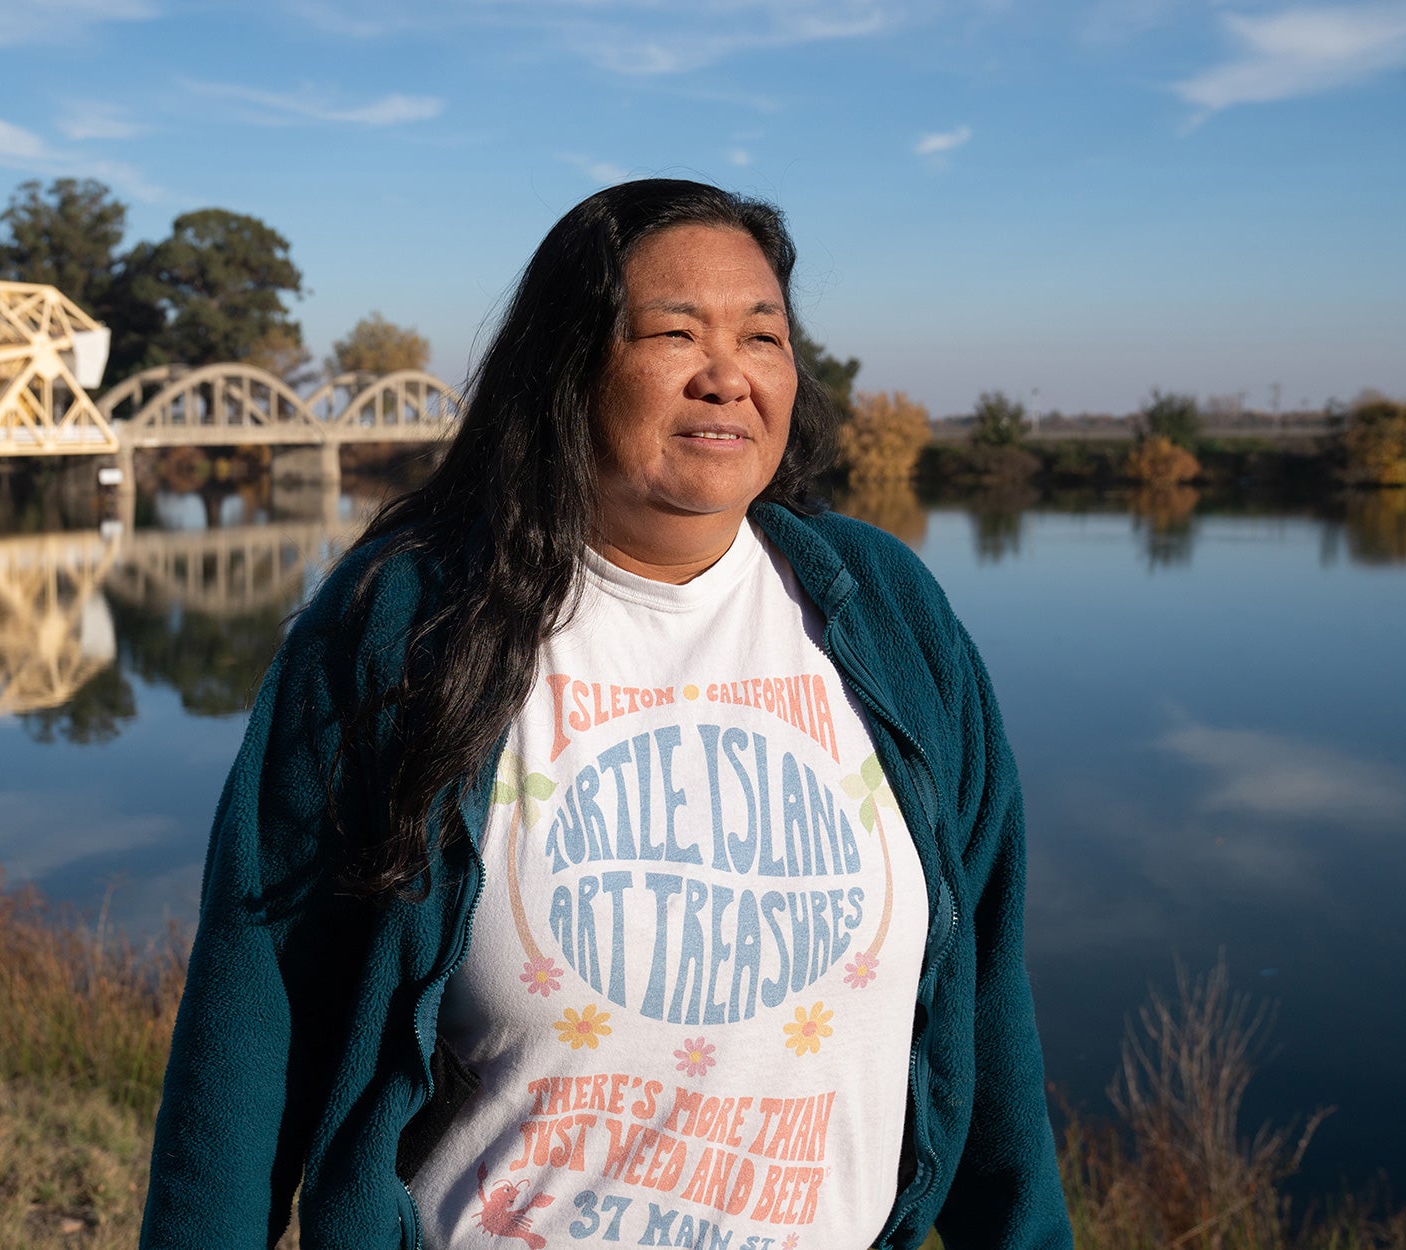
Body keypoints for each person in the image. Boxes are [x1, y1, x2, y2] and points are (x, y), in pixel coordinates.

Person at [139, 179, 1071, 1250]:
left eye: (761, 336)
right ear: (567, 366)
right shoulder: (403, 626)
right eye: (673, 332)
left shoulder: (887, 612)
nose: (726, 374)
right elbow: (254, 1019)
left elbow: (984, 1003)